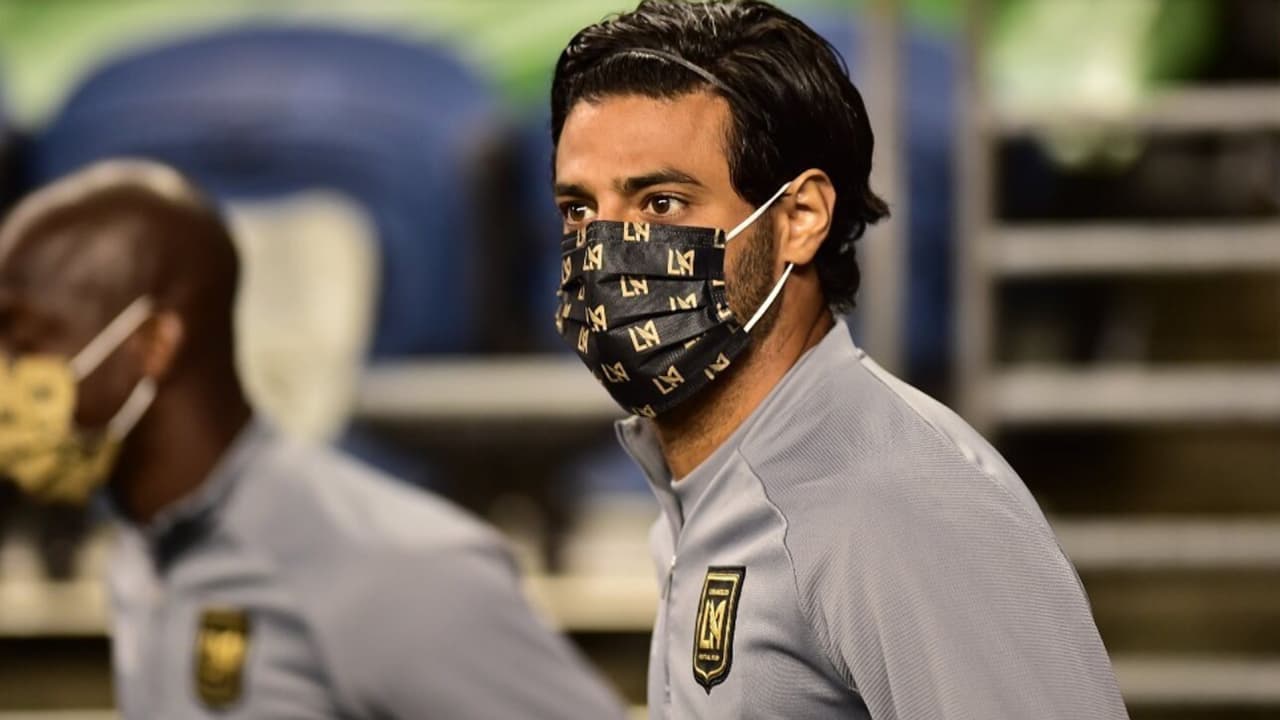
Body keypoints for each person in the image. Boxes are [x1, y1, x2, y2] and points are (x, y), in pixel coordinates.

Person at [549, 1, 1129, 718]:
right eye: (579, 210)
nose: (604, 249)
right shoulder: (710, 489)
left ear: (801, 218)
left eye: (662, 203)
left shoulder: (901, 506)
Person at [0, 159, 625, 719]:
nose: (8, 376)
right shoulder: (141, 551)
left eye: (24, 342)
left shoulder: (401, 572)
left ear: (151, 345)